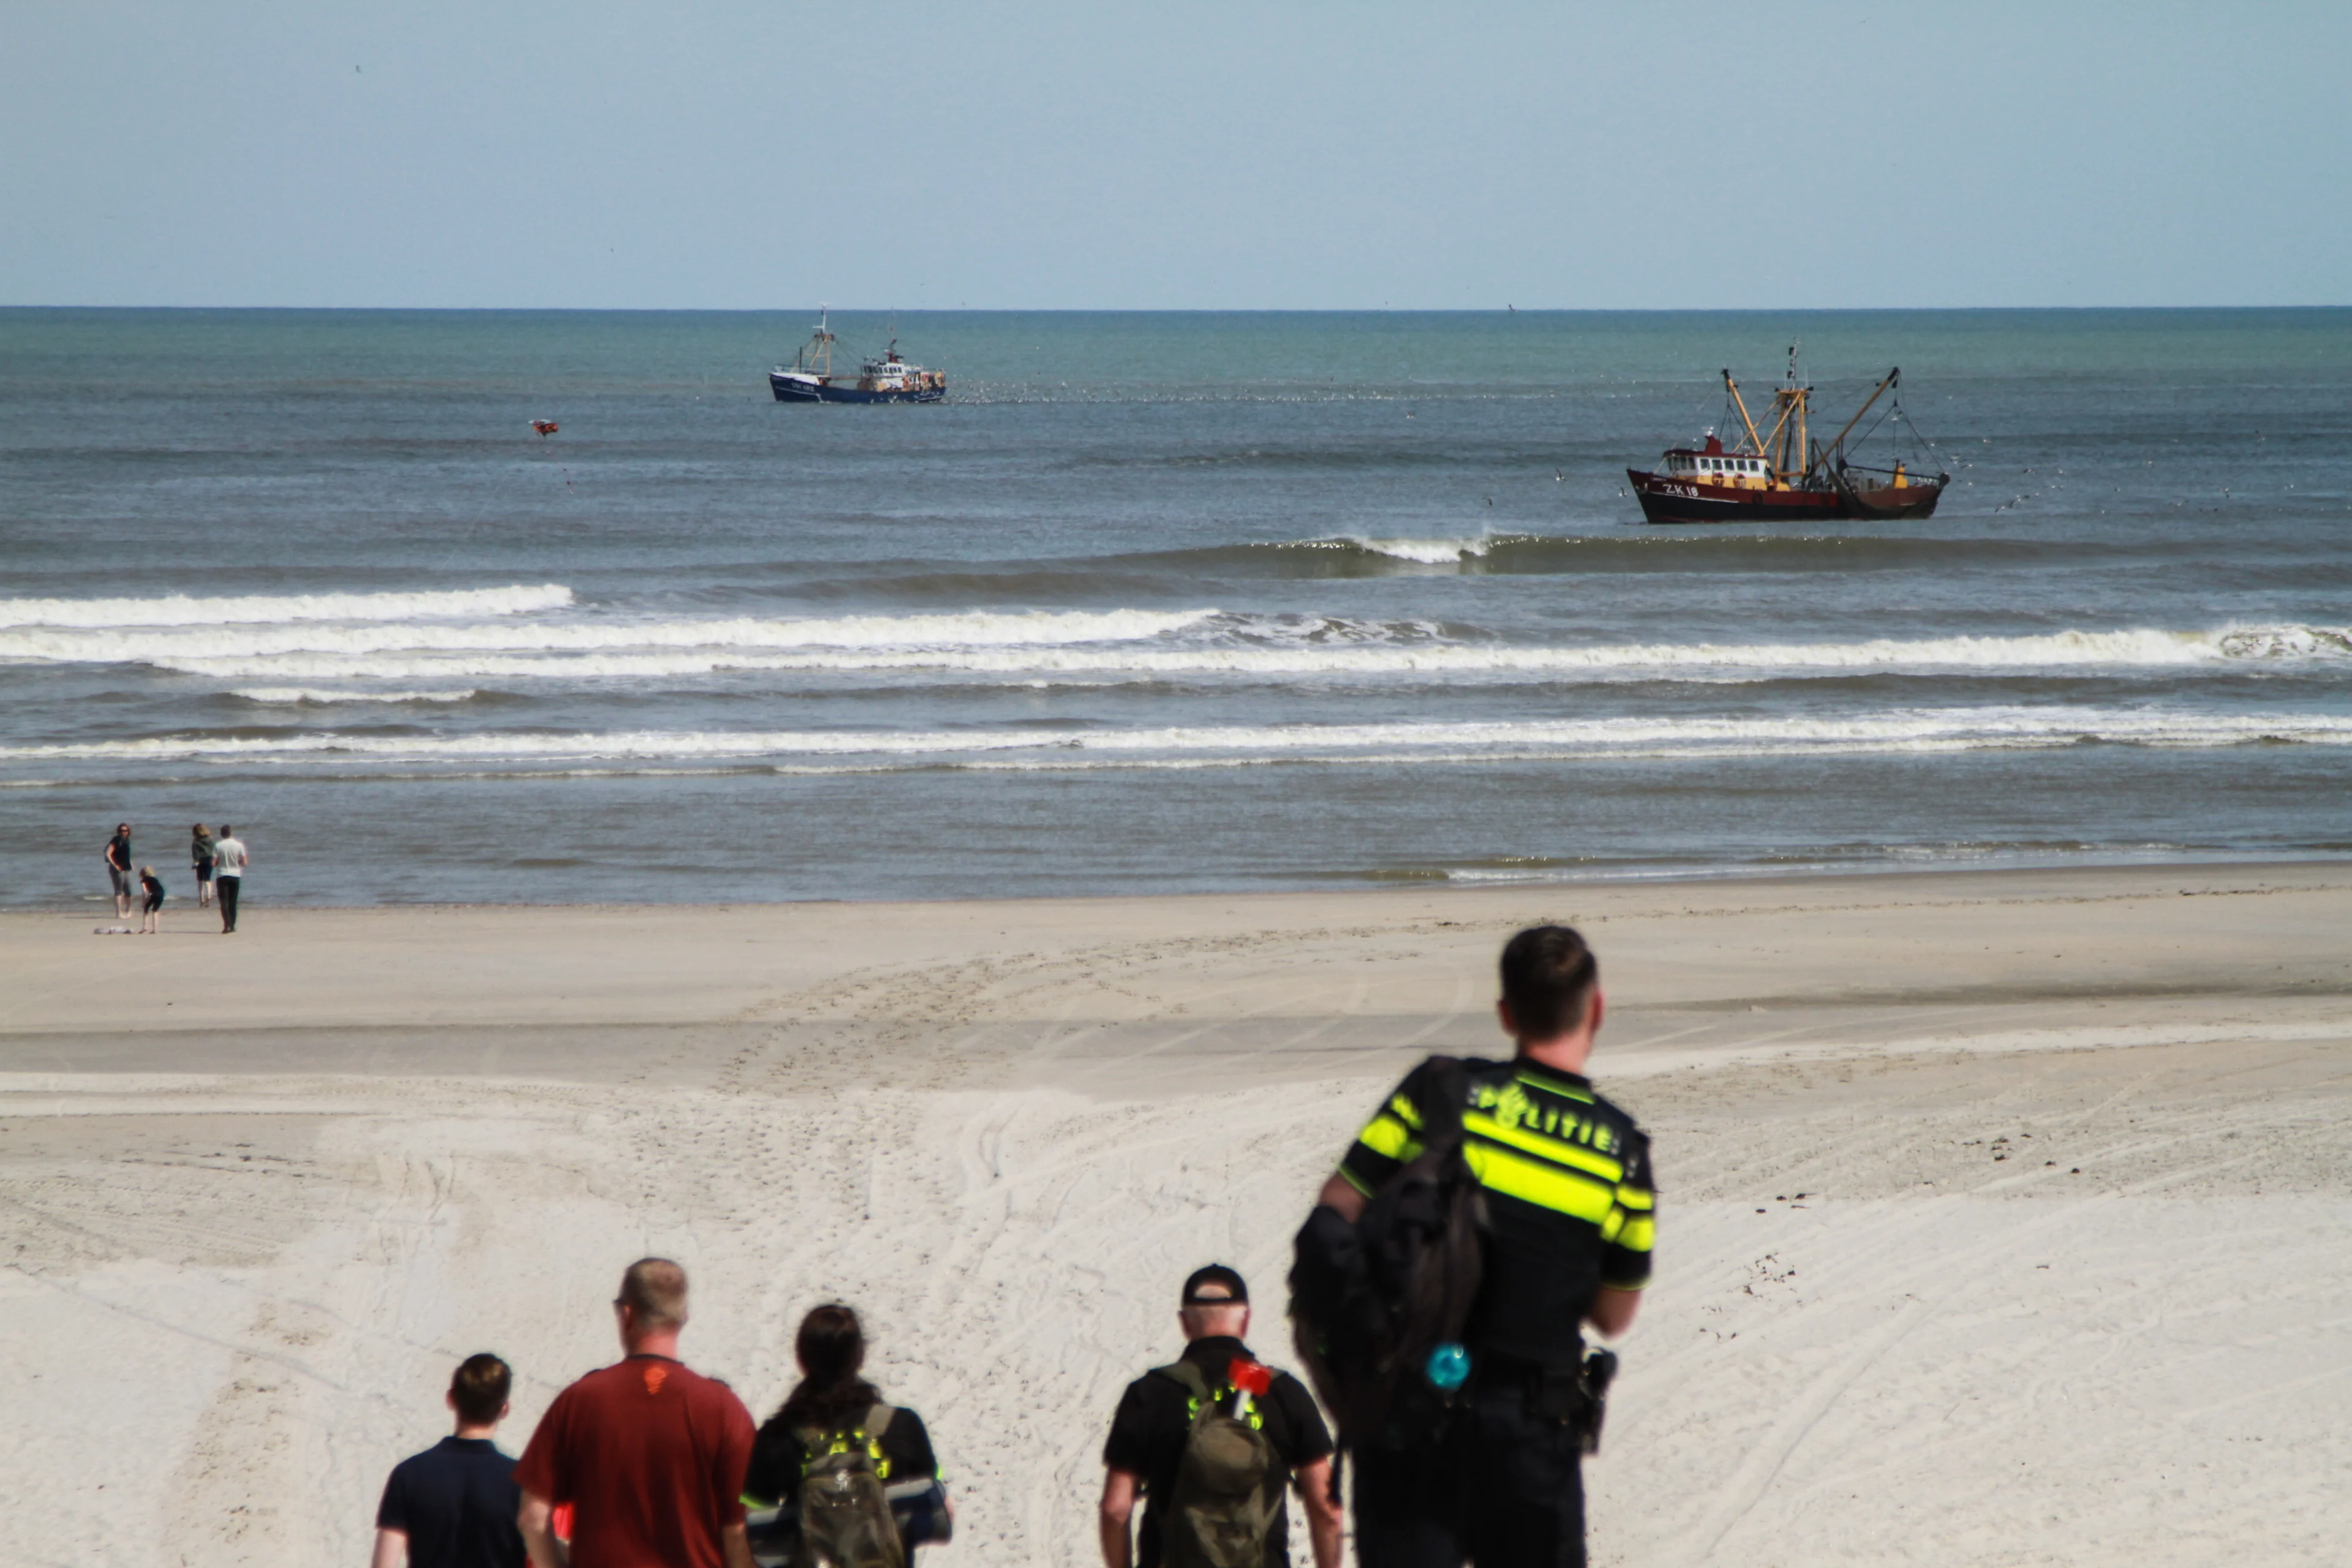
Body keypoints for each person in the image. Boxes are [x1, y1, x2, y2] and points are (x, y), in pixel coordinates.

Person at [1312, 925, 1655, 1568]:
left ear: (1505, 1013)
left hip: (1409, 1417)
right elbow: (1613, 1316)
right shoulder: (1619, 1151)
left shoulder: (1437, 1093)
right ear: (1598, 1008)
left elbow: (1338, 1206)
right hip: (1529, 1434)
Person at [514, 1258, 757, 1568]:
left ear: (626, 1315)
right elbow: (737, 1532)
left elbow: (533, 1518)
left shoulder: (579, 1400)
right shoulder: (724, 1409)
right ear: (683, 1318)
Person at [1099, 1265, 1341, 1568]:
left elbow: (1115, 1509)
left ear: (1184, 1323)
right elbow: (1326, 1510)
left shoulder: (1149, 1393)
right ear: (1246, 1320)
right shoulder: (1282, 1392)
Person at [742, 1303, 945, 1562]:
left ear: (802, 1358)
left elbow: (750, 1526)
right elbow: (938, 1508)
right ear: (859, 1357)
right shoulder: (902, 1425)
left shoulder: (777, 1435)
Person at [372, 1353, 527, 1568]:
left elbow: (384, 1565)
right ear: (505, 1409)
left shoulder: (409, 1475)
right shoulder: (522, 1482)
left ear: (451, 1399)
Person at [212, 824, 249, 933]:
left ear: (222, 834)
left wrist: (218, 862)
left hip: (222, 875)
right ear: (231, 833)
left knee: (224, 902)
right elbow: (245, 863)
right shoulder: (239, 845)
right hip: (235, 875)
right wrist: (239, 863)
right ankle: (232, 924)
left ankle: (227, 924)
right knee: (233, 901)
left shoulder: (218, 846)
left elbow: (213, 863)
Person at [105, 823, 135, 920]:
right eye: (121, 830)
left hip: (127, 868)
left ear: (128, 832)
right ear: (118, 831)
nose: (123, 832)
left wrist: (131, 864)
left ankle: (129, 910)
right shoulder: (116, 841)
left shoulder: (127, 841)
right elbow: (108, 854)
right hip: (117, 869)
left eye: (125, 831)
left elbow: (126, 855)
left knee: (128, 890)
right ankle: (118, 913)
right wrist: (115, 865)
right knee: (119, 890)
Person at [191, 823, 217, 908]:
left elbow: (195, 854)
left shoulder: (196, 841)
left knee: (200, 880)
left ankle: (202, 899)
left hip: (201, 861)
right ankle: (209, 897)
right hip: (210, 859)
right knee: (208, 880)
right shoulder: (210, 839)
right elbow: (214, 849)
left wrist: (195, 863)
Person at [138, 865, 165, 935]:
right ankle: (155, 929)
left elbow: (145, 891)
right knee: (155, 910)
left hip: (154, 894)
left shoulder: (144, 880)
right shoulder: (154, 878)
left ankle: (145, 927)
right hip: (161, 893)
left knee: (146, 909)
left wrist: (144, 902)